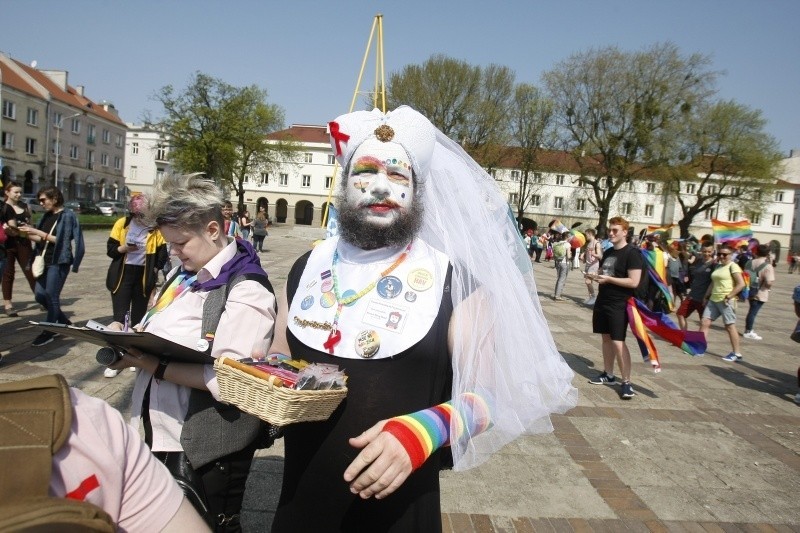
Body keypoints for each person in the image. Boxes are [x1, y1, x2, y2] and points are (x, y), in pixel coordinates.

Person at [267, 106, 577, 531]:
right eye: (366, 171)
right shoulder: (308, 265)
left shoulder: (456, 282)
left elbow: (493, 397)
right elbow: (277, 358)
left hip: (400, 513)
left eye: (398, 176)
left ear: (418, 192)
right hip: (303, 505)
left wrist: (422, 432)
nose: (380, 187)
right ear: (343, 184)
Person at [104, 174, 277, 532]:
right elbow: (161, 328)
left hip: (204, 448)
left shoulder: (247, 290)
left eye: (181, 243)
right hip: (160, 431)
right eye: (169, 244)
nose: (173, 252)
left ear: (213, 229)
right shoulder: (184, 274)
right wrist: (129, 340)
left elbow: (233, 381)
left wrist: (154, 364)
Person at [104, 194, 168, 378]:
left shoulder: (155, 229)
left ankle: (134, 358)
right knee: (119, 317)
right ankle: (115, 359)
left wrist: (155, 271)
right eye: (137, 214)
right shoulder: (122, 224)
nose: (140, 218)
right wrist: (124, 248)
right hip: (122, 274)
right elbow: (110, 250)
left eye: (144, 214)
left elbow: (162, 255)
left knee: (138, 319)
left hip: (144, 276)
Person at [20, 187, 84, 346]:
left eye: (43, 200)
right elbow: (42, 239)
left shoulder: (67, 215)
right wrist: (21, 233)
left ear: (54, 198)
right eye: (40, 201)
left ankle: (50, 330)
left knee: (51, 295)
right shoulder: (47, 216)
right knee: (39, 296)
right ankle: (64, 322)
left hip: (59, 261)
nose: (41, 203)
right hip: (44, 260)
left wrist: (35, 231)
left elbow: (61, 240)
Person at [587, 216, 644, 400]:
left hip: (619, 303)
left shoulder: (632, 253)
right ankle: (608, 374)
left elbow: (633, 281)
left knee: (618, 342)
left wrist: (609, 279)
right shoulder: (610, 251)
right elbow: (606, 272)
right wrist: (596, 275)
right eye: (610, 230)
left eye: (615, 231)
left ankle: (626, 381)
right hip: (603, 300)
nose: (610, 233)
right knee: (606, 339)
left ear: (625, 233)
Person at [700, 243, 745, 362]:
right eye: (719, 254)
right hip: (713, 299)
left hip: (726, 301)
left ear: (731, 255)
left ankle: (737, 353)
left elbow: (741, 284)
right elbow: (713, 282)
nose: (721, 256)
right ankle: (700, 347)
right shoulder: (718, 266)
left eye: (724, 254)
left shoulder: (733, 266)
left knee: (730, 326)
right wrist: (706, 296)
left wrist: (729, 295)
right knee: (705, 322)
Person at [1, 181, 37, 316]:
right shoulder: (3, 207)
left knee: (31, 272)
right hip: (8, 245)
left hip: (24, 243)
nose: (19, 195)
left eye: (20, 192)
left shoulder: (25, 206)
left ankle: (40, 298)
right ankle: (8, 304)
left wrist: (30, 231)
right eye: (16, 192)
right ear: (7, 192)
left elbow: (31, 225)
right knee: (8, 274)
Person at [676, 244, 715, 330]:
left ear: (712, 252)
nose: (706, 253)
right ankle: (684, 336)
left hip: (703, 298)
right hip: (692, 295)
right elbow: (688, 263)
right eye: (704, 251)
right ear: (701, 250)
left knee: (703, 321)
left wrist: (708, 297)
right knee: (680, 314)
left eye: (709, 252)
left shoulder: (714, 264)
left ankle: (699, 340)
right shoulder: (698, 261)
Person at [742, 244, 775, 340]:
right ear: (768, 253)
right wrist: (768, 286)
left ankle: (748, 330)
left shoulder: (749, 262)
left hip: (749, 289)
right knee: (753, 312)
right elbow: (769, 282)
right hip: (760, 292)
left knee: (751, 310)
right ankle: (748, 331)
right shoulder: (767, 266)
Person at [582, 228, 601, 306]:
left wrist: (594, 254)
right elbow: (587, 254)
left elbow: (600, 255)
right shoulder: (589, 243)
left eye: (586, 235)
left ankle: (593, 297)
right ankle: (591, 297)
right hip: (588, 264)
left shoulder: (597, 243)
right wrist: (583, 256)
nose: (585, 236)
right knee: (589, 281)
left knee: (588, 281)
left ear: (590, 234)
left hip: (593, 264)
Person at [551, 231, 571, 300]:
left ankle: (556, 293)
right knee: (562, 279)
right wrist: (571, 255)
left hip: (558, 262)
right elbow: (568, 256)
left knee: (559, 278)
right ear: (567, 237)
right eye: (570, 236)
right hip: (565, 263)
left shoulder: (557, 243)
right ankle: (557, 295)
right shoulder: (567, 244)